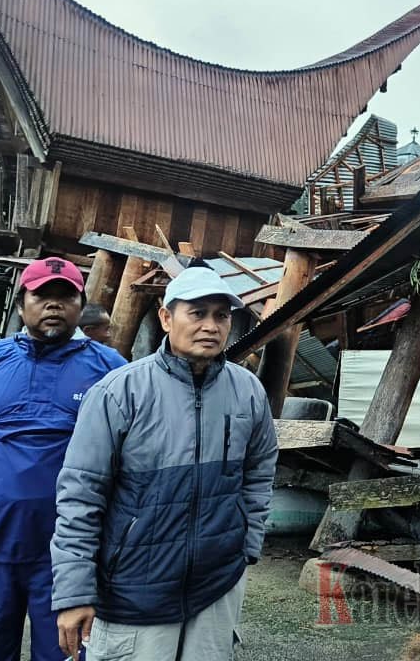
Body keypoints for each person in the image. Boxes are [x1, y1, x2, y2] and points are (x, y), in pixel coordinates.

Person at [53, 265, 278, 661]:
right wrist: (74, 592)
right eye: (197, 312)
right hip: (135, 583)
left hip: (217, 582)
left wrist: (246, 543)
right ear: (165, 317)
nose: (211, 325)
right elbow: (80, 496)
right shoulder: (119, 392)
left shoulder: (247, 391)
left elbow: (259, 472)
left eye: (221, 315)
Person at [0, 257, 126, 661]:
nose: (54, 305)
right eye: (42, 295)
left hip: (69, 551)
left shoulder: (111, 369)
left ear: (80, 305)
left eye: (66, 297)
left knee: (65, 655)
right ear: (20, 304)